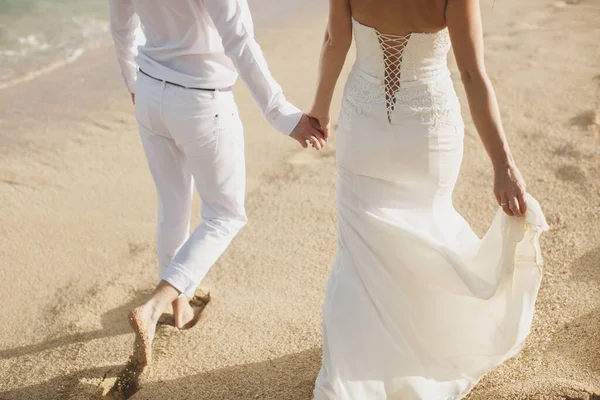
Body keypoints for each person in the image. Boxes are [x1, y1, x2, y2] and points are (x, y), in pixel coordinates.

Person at [308, 0, 549, 398]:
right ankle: (431, 343)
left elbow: (335, 42)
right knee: (428, 226)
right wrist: (503, 164)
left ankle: (364, 358)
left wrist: (319, 108)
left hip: (363, 126)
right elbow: (472, 74)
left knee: (361, 248)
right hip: (428, 133)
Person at [109, 0, 327, 368]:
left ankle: (181, 309)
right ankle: (155, 305)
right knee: (225, 215)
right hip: (199, 100)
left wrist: (133, 82)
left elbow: (121, 25)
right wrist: (284, 116)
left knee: (172, 204)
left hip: (149, 90)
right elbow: (239, 41)